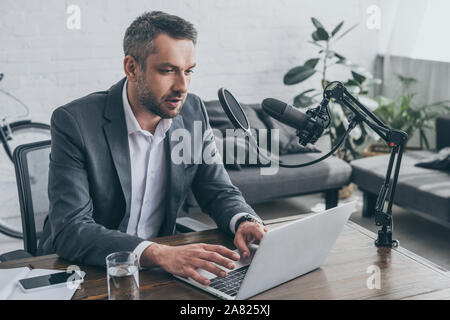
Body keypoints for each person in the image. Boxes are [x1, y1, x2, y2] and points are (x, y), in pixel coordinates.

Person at [38, 11, 267, 286]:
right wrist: (157, 253)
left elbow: (217, 190)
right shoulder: (75, 122)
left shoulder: (193, 112)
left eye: (188, 71)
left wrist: (244, 221)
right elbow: (70, 229)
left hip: (160, 271)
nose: (182, 86)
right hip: (86, 271)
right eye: (168, 70)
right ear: (132, 68)